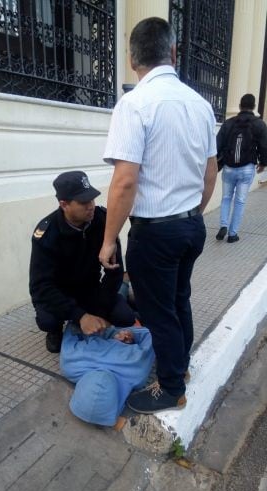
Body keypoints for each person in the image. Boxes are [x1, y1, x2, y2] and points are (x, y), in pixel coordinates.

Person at [99, 17, 218, 414]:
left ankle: (169, 388)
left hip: (156, 233)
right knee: (178, 299)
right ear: (173, 53)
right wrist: (191, 215)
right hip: (191, 225)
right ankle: (180, 369)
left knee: (158, 311)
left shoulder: (134, 105)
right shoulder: (201, 106)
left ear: (133, 60)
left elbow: (124, 183)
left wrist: (107, 239)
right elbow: (209, 173)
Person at [29, 170, 135, 353]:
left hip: (89, 289)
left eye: (92, 199)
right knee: (47, 320)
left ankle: (125, 291)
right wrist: (81, 316)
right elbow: (40, 287)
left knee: (124, 317)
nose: (91, 206)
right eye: (84, 202)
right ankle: (55, 331)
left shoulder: (103, 221)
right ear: (64, 204)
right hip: (59, 293)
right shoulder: (47, 234)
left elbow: (114, 271)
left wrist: (99, 312)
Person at [60, 323, 155, 426]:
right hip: (116, 320)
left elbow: (150, 335)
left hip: (102, 320)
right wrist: (128, 333)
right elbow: (72, 327)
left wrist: (124, 333)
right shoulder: (71, 365)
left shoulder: (137, 372)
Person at [216, 94, 267, 243]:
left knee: (226, 198)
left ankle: (223, 225)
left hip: (229, 167)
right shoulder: (259, 124)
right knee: (240, 201)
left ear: (240, 106)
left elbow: (217, 145)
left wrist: (217, 163)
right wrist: (263, 163)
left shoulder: (228, 123)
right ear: (253, 107)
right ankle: (232, 234)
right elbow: (264, 146)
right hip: (247, 167)